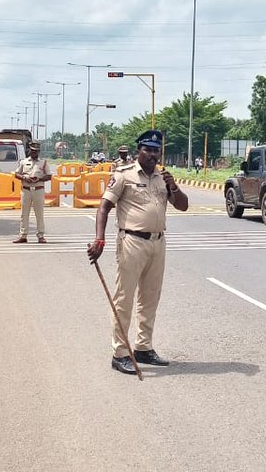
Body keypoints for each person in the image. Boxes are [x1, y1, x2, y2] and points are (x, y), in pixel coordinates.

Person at [86, 130, 189, 375]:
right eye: (148, 150)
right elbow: (104, 207)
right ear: (138, 151)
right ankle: (120, 353)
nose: (153, 154)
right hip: (132, 241)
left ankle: (144, 347)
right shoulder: (123, 175)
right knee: (125, 299)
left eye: (156, 150)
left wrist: (173, 187)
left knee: (150, 297)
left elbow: (183, 206)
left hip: (157, 242)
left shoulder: (163, 178)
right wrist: (99, 238)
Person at [13, 141, 51, 244]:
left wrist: (39, 179)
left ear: (39, 152)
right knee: (24, 214)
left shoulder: (43, 163)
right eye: (33, 151)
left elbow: (49, 176)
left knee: (39, 214)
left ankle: (41, 235)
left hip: (38, 190)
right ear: (30, 151)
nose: (34, 153)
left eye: (36, 151)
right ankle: (23, 236)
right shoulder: (23, 162)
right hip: (26, 190)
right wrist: (25, 177)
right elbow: (16, 174)